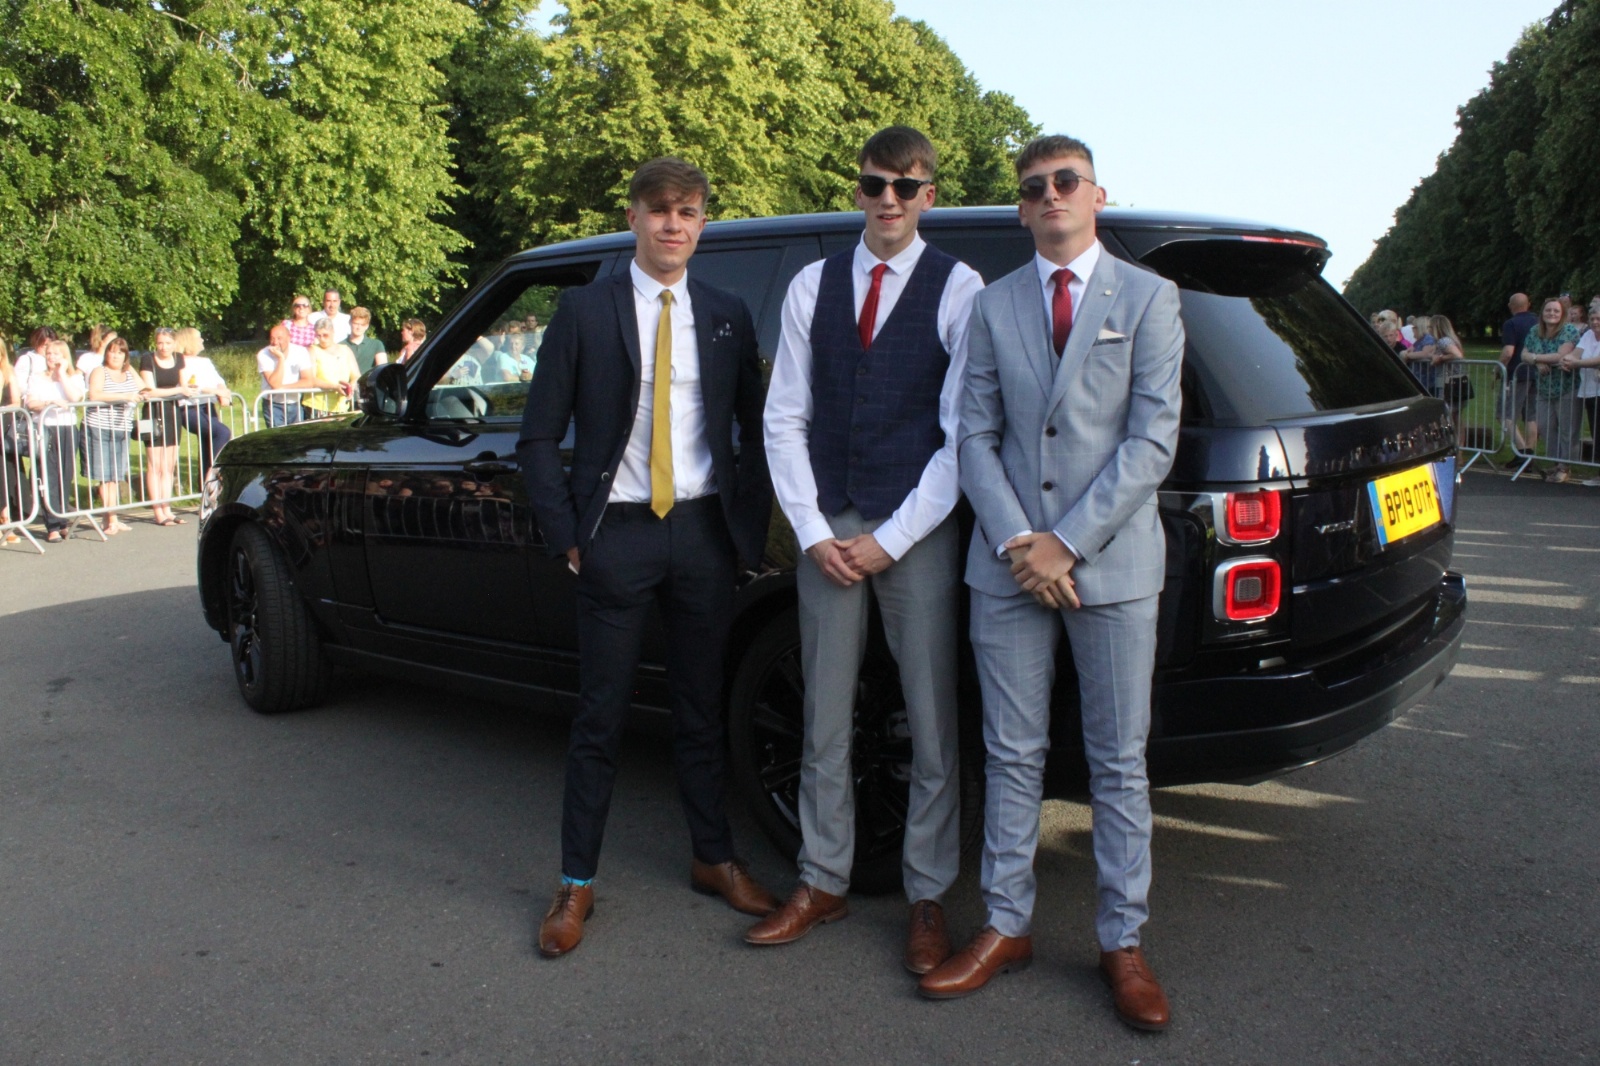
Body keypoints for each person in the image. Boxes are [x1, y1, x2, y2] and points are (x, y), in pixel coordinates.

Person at [919, 135, 1183, 1034]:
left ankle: (1122, 942)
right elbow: (973, 434)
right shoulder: (992, 306)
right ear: (1022, 209)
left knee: (1117, 763)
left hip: (1110, 565)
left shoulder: (1149, 298)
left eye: (1066, 181)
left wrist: (1065, 544)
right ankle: (1005, 925)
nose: (1051, 196)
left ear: (1096, 194)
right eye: (1034, 188)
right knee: (1010, 755)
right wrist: (1018, 543)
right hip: (1007, 568)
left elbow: (1151, 440)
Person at [516, 157, 777, 958]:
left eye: (688, 211)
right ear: (633, 216)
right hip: (616, 536)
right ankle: (576, 882)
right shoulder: (584, 311)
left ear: (703, 224)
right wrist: (569, 533)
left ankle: (714, 857)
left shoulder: (726, 313)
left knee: (701, 709)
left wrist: (743, 530)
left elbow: (758, 429)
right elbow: (538, 435)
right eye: (660, 209)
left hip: (701, 536)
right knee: (600, 715)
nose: (673, 224)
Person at [748, 126, 983, 975]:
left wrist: (891, 539)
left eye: (906, 186)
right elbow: (784, 416)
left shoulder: (960, 286)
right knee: (823, 715)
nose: (889, 199)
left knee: (929, 719)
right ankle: (822, 879)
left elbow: (961, 435)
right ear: (858, 190)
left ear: (929, 197)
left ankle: (927, 896)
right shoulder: (812, 284)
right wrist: (814, 531)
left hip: (913, 530)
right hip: (828, 527)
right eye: (876, 183)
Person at [22, 340, 86, 542]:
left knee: (65, 474)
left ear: (65, 357)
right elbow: (31, 402)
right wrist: (48, 403)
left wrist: (62, 374)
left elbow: (75, 398)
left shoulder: (74, 377)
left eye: (56, 354)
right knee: (48, 475)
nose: (51, 357)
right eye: (49, 353)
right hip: (45, 429)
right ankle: (52, 525)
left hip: (67, 428)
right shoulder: (37, 378)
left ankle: (62, 520)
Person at [138, 327, 197, 526]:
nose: (164, 347)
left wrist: (184, 389)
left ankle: (167, 508)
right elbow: (149, 391)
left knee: (169, 464)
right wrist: (178, 390)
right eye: (160, 343)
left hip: (172, 412)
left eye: (168, 343)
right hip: (151, 413)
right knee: (154, 464)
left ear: (174, 344)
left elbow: (184, 385)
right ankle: (157, 510)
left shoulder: (179, 359)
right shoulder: (147, 359)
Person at [83, 337, 142, 535]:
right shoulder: (100, 371)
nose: (115, 356)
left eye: (120, 352)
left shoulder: (127, 372)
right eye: (112, 351)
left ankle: (110, 518)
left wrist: (129, 368)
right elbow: (95, 394)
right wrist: (124, 396)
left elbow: (144, 388)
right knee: (105, 476)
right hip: (99, 427)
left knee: (115, 476)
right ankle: (112, 519)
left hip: (121, 428)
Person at [1524, 296, 1582, 482]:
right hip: (1544, 387)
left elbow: (1561, 355)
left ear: (1562, 313)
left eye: (1556, 310)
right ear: (1542, 312)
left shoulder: (1569, 331)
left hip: (1567, 386)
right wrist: (1536, 361)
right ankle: (1556, 462)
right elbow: (1524, 353)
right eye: (1548, 310)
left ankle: (1565, 466)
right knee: (1545, 426)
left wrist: (1536, 358)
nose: (1552, 313)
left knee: (1567, 428)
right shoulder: (1535, 331)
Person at [172, 328, 234, 477]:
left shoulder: (205, 361)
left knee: (208, 441)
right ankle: (214, 475)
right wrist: (215, 391)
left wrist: (223, 391)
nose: (202, 340)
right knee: (222, 432)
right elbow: (191, 385)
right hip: (189, 407)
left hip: (207, 406)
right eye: (199, 338)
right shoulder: (179, 362)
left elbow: (218, 380)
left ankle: (204, 482)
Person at [1501, 293, 1540, 452]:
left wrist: (1498, 369)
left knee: (1505, 414)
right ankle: (1530, 450)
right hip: (1537, 371)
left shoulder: (1511, 324)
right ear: (1528, 304)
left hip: (1517, 373)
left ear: (1510, 306)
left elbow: (1508, 352)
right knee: (1531, 415)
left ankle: (1523, 452)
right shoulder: (1538, 321)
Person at [256, 323, 313, 426]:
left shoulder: (301, 351)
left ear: (288, 338)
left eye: (279, 338)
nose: (275, 342)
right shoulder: (263, 354)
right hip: (273, 405)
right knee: (278, 435)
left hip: (295, 403)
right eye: (272, 338)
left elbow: (308, 381)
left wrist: (284, 388)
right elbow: (275, 384)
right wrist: (280, 358)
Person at [303, 319, 361, 415]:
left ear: (333, 332)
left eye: (325, 335)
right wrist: (334, 387)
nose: (322, 339)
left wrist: (350, 387)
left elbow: (356, 375)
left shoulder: (345, 350)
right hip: (318, 405)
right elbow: (311, 379)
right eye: (318, 336)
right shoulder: (313, 350)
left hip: (341, 406)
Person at [1571, 300, 1600, 487]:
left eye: (1599, 319)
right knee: (1596, 431)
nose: (1595, 322)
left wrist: (1577, 363)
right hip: (1590, 391)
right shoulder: (1588, 335)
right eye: (1593, 318)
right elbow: (1576, 353)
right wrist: (1569, 359)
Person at [1430, 314, 1471, 446]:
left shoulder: (1444, 341)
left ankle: (1450, 445)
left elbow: (1457, 355)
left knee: (1447, 416)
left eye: (1430, 327)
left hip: (1449, 383)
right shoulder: (1451, 340)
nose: (1429, 330)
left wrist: (1440, 358)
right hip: (1457, 382)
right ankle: (1459, 447)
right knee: (1456, 417)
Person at [1, 336, 23, 543]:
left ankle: (6, 521)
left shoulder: (8, 372)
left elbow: (16, 401)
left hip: (3, 431)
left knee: (5, 478)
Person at [346, 307, 387, 373]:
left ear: (367, 326)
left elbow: (382, 370)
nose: (359, 327)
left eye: (362, 324)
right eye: (356, 323)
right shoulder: (340, 345)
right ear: (350, 323)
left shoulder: (377, 345)